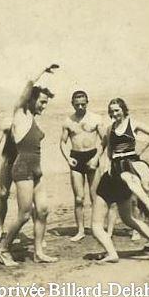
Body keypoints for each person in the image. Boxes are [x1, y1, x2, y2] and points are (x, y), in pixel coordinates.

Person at [91, 98, 149, 263]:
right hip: (115, 172)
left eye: (117, 110)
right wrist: (105, 162)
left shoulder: (130, 125)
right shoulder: (110, 129)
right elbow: (108, 149)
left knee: (96, 226)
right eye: (111, 111)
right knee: (128, 219)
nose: (114, 113)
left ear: (124, 109)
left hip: (114, 176)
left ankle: (112, 254)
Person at [0, 64, 59, 266]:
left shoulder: (31, 117)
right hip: (22, 170)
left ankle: (38, 252)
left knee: (42, 210)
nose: (44, 106)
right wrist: (42, 69)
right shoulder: (20, 113)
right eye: (42, 102)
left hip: (36, 171)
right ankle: (4, 249)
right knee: (24, 214)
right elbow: (28, 85)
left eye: (46, 103)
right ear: (31, 99)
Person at [60, 90, 105, 241]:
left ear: (87, 103)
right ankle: (80, 231)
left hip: (92, 156)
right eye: (77, 104)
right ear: (72, 103)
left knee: (95, 196)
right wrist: (68, 158)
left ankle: (96, 227)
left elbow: (104, 140)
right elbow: (62, 142)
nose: (80, 107)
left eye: (83, 104)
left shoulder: (96, 118)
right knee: (79, 198)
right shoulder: (68, 121)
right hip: (76, 158)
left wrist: (97, 158)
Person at [0, 116, 17, 240]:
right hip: (9, 161)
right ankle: (0, 227)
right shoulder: (7, 123)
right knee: (3, 194)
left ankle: (36, 232)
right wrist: (2, 161)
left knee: (28, 197)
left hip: (23, 163)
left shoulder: (30, 122)